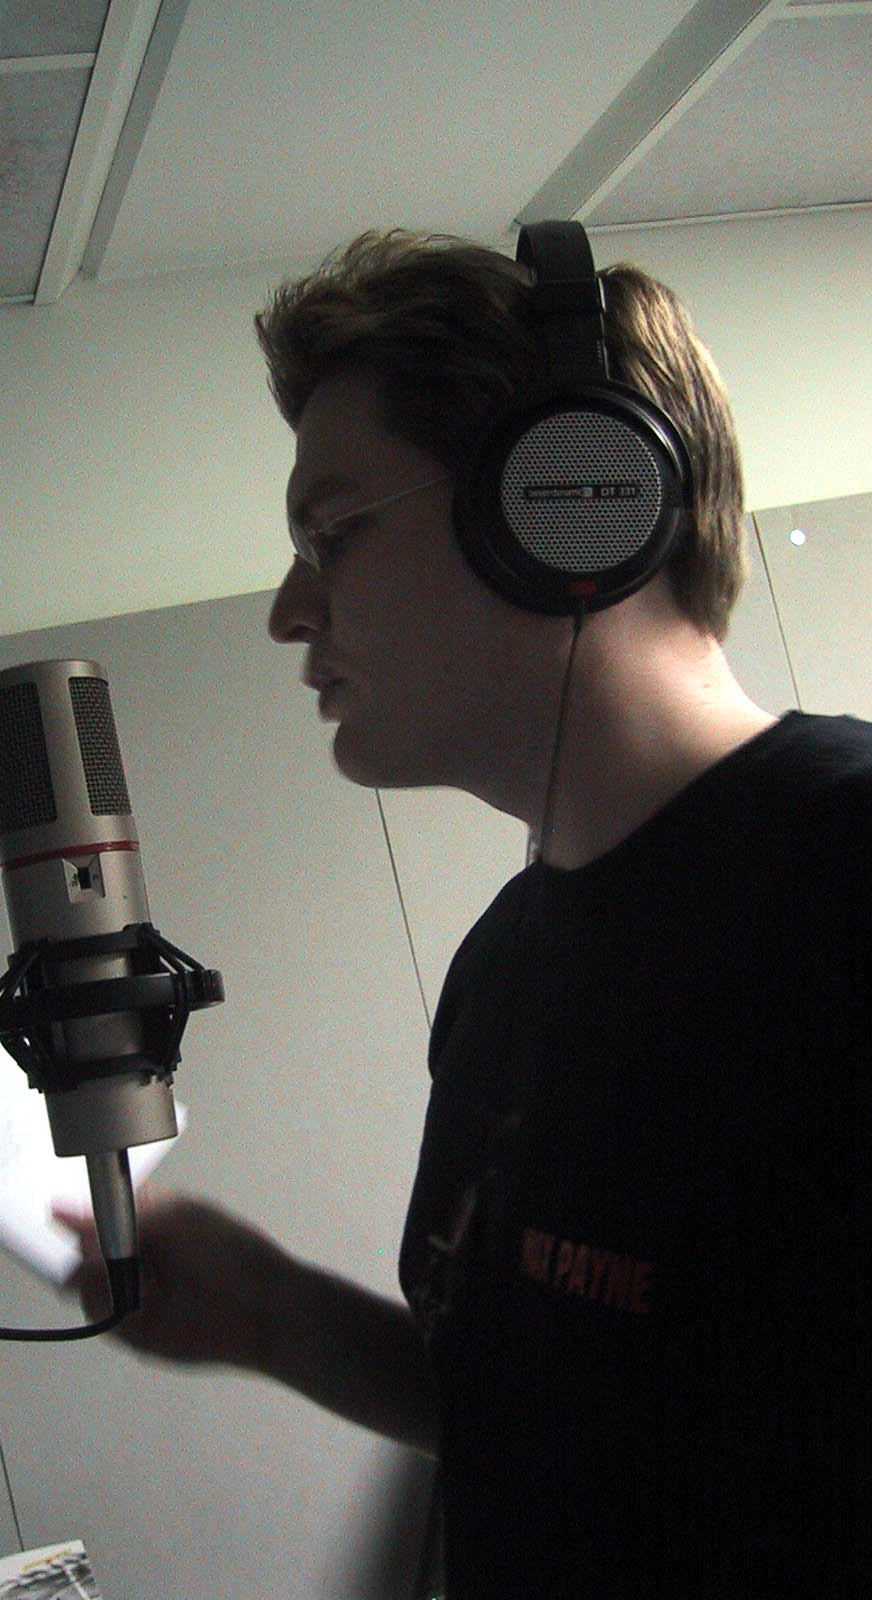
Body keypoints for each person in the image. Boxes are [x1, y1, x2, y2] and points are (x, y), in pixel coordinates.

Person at [59, 227, 871, 1596]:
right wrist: (282, 1322)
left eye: (332, 534)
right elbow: (575, 1421)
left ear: (565, 503)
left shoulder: (847, 873)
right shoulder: (505, 969)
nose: (288, 611)